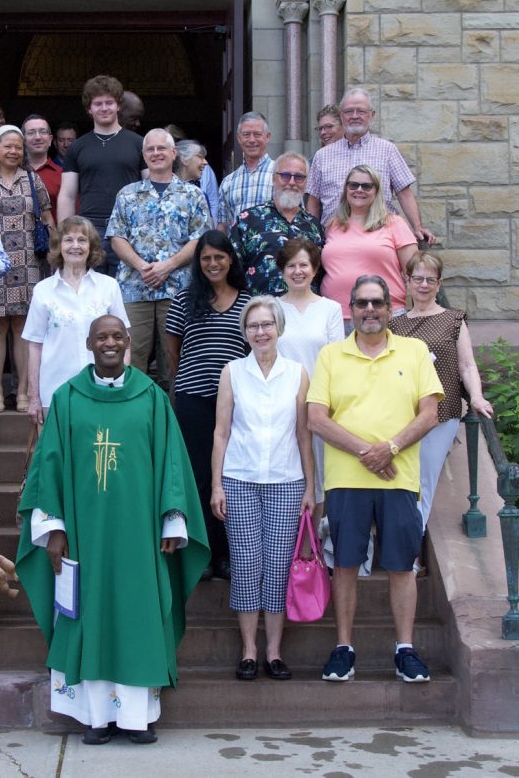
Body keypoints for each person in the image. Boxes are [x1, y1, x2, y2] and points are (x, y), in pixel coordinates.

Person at [16, 315, 209, 745]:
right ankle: (96, 717)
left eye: (117, 336)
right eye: (101, 336)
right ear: (88, 343)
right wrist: (54, 529)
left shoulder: (152, 399)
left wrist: (172, 519)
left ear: (128, 342)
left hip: (139, 534)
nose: (109, 343)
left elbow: (172, 463)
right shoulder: (66, 400)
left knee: (137, 612)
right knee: (90, 612)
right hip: (84, 534)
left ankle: (136, 718)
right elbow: (49, 466)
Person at [308, 275, 443, 684]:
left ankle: (405, 650)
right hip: (347, 478)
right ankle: (344, 649)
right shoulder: (331, 355)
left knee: (402, 565)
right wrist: (369, 452)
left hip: (399, 478)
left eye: (377, 303)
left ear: (389, 308)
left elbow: (429, 413)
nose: (369, 310)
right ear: (351, 308)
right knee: (345, 563)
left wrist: (393, 447)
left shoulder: (415, 350)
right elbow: (316, 418)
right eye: (362, 303)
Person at [210, 296, 315, 681]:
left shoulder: (297, 373)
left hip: (287, 483)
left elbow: (304, 434)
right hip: (240, 480)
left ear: (279, 328)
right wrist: (217, 484)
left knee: (277, 568)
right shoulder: (233, 372)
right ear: (245, 332)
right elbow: (221, 432)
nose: (260, 332)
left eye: (266, 324)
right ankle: (249, 651)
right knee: (246, 565)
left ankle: (274, 652)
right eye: (253, 326)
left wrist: (310, 487)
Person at [165, 231, 251, 581]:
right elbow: (173, 350)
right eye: (206, 258)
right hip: (194, 400)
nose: (213, 264)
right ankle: (204, 555)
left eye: (219, 257)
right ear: (198, 264)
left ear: (231, 259)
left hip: (237, 404)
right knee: (200, 478)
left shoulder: (249, 302)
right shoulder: (184, 300)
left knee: (230, 478)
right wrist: (185, 383)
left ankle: (228, 554)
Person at [389, 253, 493, 536]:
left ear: (439, 283)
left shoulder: (453, 319)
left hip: (441, 412)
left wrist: (476, 396)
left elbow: (467, 364)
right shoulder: (395, 326)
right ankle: (403, 543)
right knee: (399, 481)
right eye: (418, 278)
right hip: (402, 414)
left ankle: (410, 548)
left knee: (424, 480)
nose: (424, 285)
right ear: (406, 281)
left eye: (430, 280)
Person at [107, 128, 210, 387]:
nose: (156, 154)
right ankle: (134, 422)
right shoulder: (127, 194)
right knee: (131, 360)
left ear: (174, 153)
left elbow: (200, 239)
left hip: (178, 290)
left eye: (161, 148)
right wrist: (142, 266)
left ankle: (172, 424)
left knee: (174, 363)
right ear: (144, 155)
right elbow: (117, 237)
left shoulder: (192, 194)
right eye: (150, 149)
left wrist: (169, 265)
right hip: (134, 289)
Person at [0, 124, 55, 412]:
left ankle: (23, 390)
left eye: (17, 147)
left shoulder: (32, 180)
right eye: (7, 146)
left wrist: (55, 256)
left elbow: (46, 218)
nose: (13, 151)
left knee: (23, 327)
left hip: (28, 260)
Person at [23, 215, 129, 423]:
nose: (75, 246)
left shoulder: (109, 286)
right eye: (68, 240)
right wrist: (33, 396)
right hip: (55, 389)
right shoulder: (43, 290)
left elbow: (125, 340)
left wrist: (120, 384)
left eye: (82, 240)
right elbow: (35, 345)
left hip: (102, 388)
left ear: (91, 247)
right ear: (58, 246)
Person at [305, 87, 435, 243]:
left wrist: (417, 227)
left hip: (380, 239)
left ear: (371, 115)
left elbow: (404, 192)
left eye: (361, 111)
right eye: (348, 111)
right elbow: (313, 201)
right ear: (341, 115)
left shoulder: (387, 150)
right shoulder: (322, 156)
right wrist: (313, 235)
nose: (354, 116)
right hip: (335, 240)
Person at [276, 238, 345, 506]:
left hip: (319, 404)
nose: (298, 271)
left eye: (303, 264)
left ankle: (315, 541)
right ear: (282, 270)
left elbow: (336, 360)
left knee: (318, 474)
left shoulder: (330, 309)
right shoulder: (272, 307)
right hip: (282, 403)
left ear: (315, 269)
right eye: (291, 265)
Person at [57, 76, 145, 275]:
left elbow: (149, 188)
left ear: (118, 106)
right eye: (98, 104)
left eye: (109, 103)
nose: (104, 108)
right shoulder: (77, 148)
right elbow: (68, 195)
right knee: (89, 294)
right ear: (89, 109)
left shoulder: (139, 144)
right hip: (89, 229)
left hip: (129, 228)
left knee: (127, 296)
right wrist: (65, 236)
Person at [320, 165, 418, 328]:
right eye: (353, 185)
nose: (359, 190)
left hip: (382, 316)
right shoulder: (333, 225)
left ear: (376, 191)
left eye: (366, 186)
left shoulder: (394, 223)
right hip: (335, 317)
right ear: (346, 189)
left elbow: (416, 272)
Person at [231, 152, 324, 296]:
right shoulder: (248, 219)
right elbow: (232, 268)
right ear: (274, 179)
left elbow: (320, 274)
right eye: (285, 175)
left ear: (306, 183)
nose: (292, 182)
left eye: (299, 177)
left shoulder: (314, 226)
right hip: (261, 312)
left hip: (306, 313)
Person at [216, 111, 274, 231]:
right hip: (237, 249)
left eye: (257, 134)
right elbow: (223, 226)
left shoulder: (283, 175)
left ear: (267, 137)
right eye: (246, 134)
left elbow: (296, 219)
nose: (252, 140)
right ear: (238, 138)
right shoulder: (228, 182)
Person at [23, 114, 63, 207]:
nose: (37, 137)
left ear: (50, 140)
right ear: (23, 140)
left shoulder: (63, 175)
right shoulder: (12, 173)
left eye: (42, 132)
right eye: (31, 132)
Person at [174, 138, 218, 220]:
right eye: (200, 157)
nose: (205, 162)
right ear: (184, 159)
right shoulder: (166, 193)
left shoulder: (200, 195)